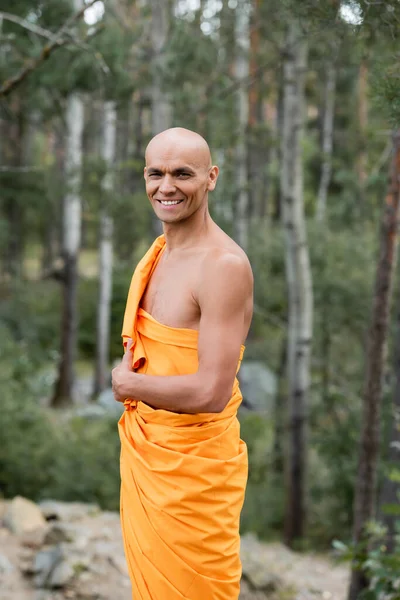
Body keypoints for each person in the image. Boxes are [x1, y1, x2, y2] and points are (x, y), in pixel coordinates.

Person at [112, 127, 253, 600]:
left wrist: (126, 384)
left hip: (194, 480)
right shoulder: (158, 256)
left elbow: (211, 393)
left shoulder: (223, 266)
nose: (166, 187)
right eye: (156, 173)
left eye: (182, 174)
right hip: (148, 460)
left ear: (211, 178)